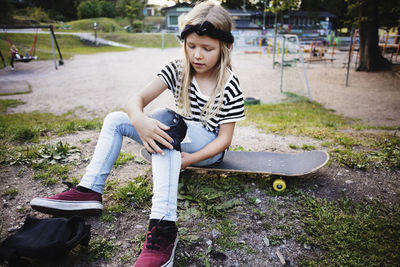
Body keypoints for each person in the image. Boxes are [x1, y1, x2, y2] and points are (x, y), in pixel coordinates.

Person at [30, 1, 245, 266]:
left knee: (169, 127)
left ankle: (164, 228)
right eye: (192, 46)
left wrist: (186, 161)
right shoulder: (178, 68)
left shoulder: (230, 84)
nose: (197, 55)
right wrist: (140, 121)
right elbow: (137, 98)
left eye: (207, 48)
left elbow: (224, 140)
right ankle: (89, 191)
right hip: (178, 135)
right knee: (117, 119)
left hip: (207, 148)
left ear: (225, 47)